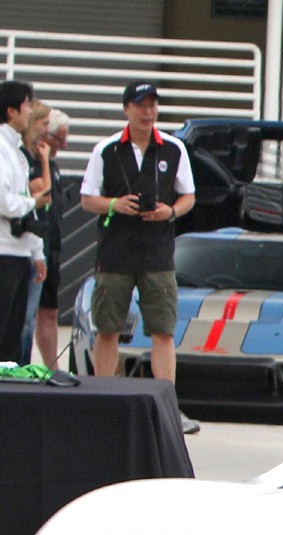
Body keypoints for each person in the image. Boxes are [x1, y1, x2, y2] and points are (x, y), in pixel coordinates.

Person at [79, 83, 195, 385]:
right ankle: (103, 394)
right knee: (107, 328)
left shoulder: (174, 147)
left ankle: (166, 399)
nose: (148, 111)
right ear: (126, 109)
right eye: (140, 105)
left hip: (158, 253)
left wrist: (168, 211)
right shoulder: (106, 149)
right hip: (115, 252)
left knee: (163, 329)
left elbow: (189, 197)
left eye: (152, 105)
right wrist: (116, 204)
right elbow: (88, 199)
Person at [0, 79, 51, 364]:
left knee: (11, 337)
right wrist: (33, 203)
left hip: (16, 254)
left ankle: (2, 396)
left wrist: (36, 250)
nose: (30, 112)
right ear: (10, 111)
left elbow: (20, 200)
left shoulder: (14, 151)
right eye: (27, 105)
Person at [27, 107, 72, 369]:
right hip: (35, 245)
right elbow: (41, 191)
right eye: (60, 139)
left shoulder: (53, 166)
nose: (64, 145)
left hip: (52, 244)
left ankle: (52, 365)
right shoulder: (33, 163)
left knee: (50, 311)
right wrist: (43, 159)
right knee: (30, 311)